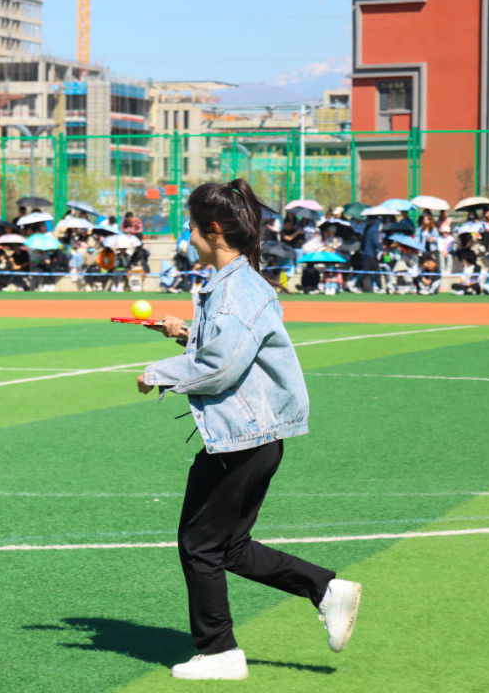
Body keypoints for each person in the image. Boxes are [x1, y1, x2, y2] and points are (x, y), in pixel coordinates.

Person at [135, 178, 361, 681]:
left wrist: (156, 374)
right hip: (253, 437)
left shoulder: (236, 290)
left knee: (199, 545)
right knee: (229, 547)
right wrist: (184, 333)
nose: (189, 236)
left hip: (242, 438)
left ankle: (219, 652)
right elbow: (229, 348)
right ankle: (326, 590)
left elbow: (221, 366)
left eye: (193, 227)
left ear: (214, 229)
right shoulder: (236, 282)